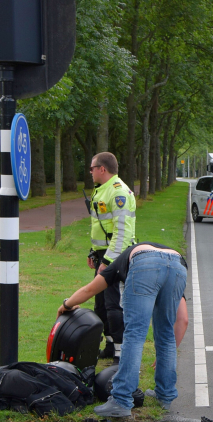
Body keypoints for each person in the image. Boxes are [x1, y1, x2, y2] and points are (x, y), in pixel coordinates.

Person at [57, 242, 188, 417]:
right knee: (165, 334)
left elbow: (90, 289)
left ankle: (121, 399)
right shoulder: (170, 263)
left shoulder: (119, 262)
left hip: (145, 265)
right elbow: (183, 319)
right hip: (179, 264)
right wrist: (165, 356)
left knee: (135, 333)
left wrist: (67, 304)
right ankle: (165, 395)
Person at [87, 152, 136, 364]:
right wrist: (93, 251)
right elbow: (101, 226)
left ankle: (120, 351)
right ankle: (109, 344)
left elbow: (123, 233)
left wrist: (107, 262)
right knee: (100, 305)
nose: (90, 172)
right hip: (103, 255)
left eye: (92, 168)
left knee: (113, 304)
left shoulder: (118, 193)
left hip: (116, 256)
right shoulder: (102, 190)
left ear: (102, 169)